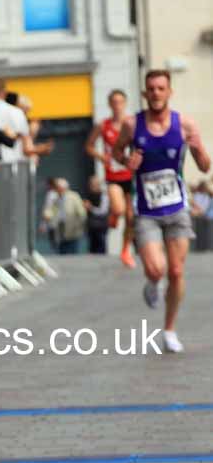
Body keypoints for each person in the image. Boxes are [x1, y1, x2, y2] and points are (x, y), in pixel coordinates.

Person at [114, 69, 211, 353]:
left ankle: (169, 329)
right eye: (151, 89)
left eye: (161, 88)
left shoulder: (185, 125)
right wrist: (126, 160)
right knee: (157, 270)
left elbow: (205, 167)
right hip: (146, 211)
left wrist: (198, 149)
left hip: (177, 207)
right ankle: (152, 282)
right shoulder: (133, 125)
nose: (156, 93)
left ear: (169, 92)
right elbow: (117, 153)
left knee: (177, 271)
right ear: (145, 93)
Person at [86, 89, 136, 268]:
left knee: (131, 218)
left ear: (125, 103)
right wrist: (102, 157)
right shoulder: (103, 125)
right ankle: (114, 215)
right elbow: (89, 146)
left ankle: (125, 250)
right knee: (119, 209)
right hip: (113, 175)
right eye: (114, 102)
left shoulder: (132, 124)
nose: (117, 106)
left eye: (120, 102)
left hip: (130, 174)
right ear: (109, 104)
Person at [84, 176, 110, 254]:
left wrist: (90, 208)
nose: (92, 186)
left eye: (94, 184)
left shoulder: (104, 196)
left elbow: (103, 211)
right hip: (91, 226)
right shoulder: (88, 195)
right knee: (92, 248)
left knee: (101, 247)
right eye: (91, 184)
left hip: (101, 226)